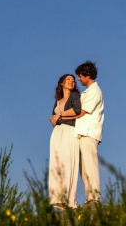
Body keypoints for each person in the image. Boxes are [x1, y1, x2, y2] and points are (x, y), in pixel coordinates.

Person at [50, 60, 104, 205]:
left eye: (79, 76)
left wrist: (59, 116)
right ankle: (89, 198)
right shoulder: (86, 92)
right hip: (80, 133)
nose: (78, 79)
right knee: (83, 170)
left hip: (88, 133)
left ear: (87, 75)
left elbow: (80, 112)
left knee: (90, 167)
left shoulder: (94, 91)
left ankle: (94, 199)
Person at [48, 74, 82, 209]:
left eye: (73, 80)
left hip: (69, 130)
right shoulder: (58, 100)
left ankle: (68, 199)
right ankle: (56, 197)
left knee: (68, 162)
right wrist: (54, 119)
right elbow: (52, 117)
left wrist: (60, 116)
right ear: (62, 83)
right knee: (56, 163)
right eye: (68, 79)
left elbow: (77, 110)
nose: (71, 82)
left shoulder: (74, 96)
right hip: (57, 132)